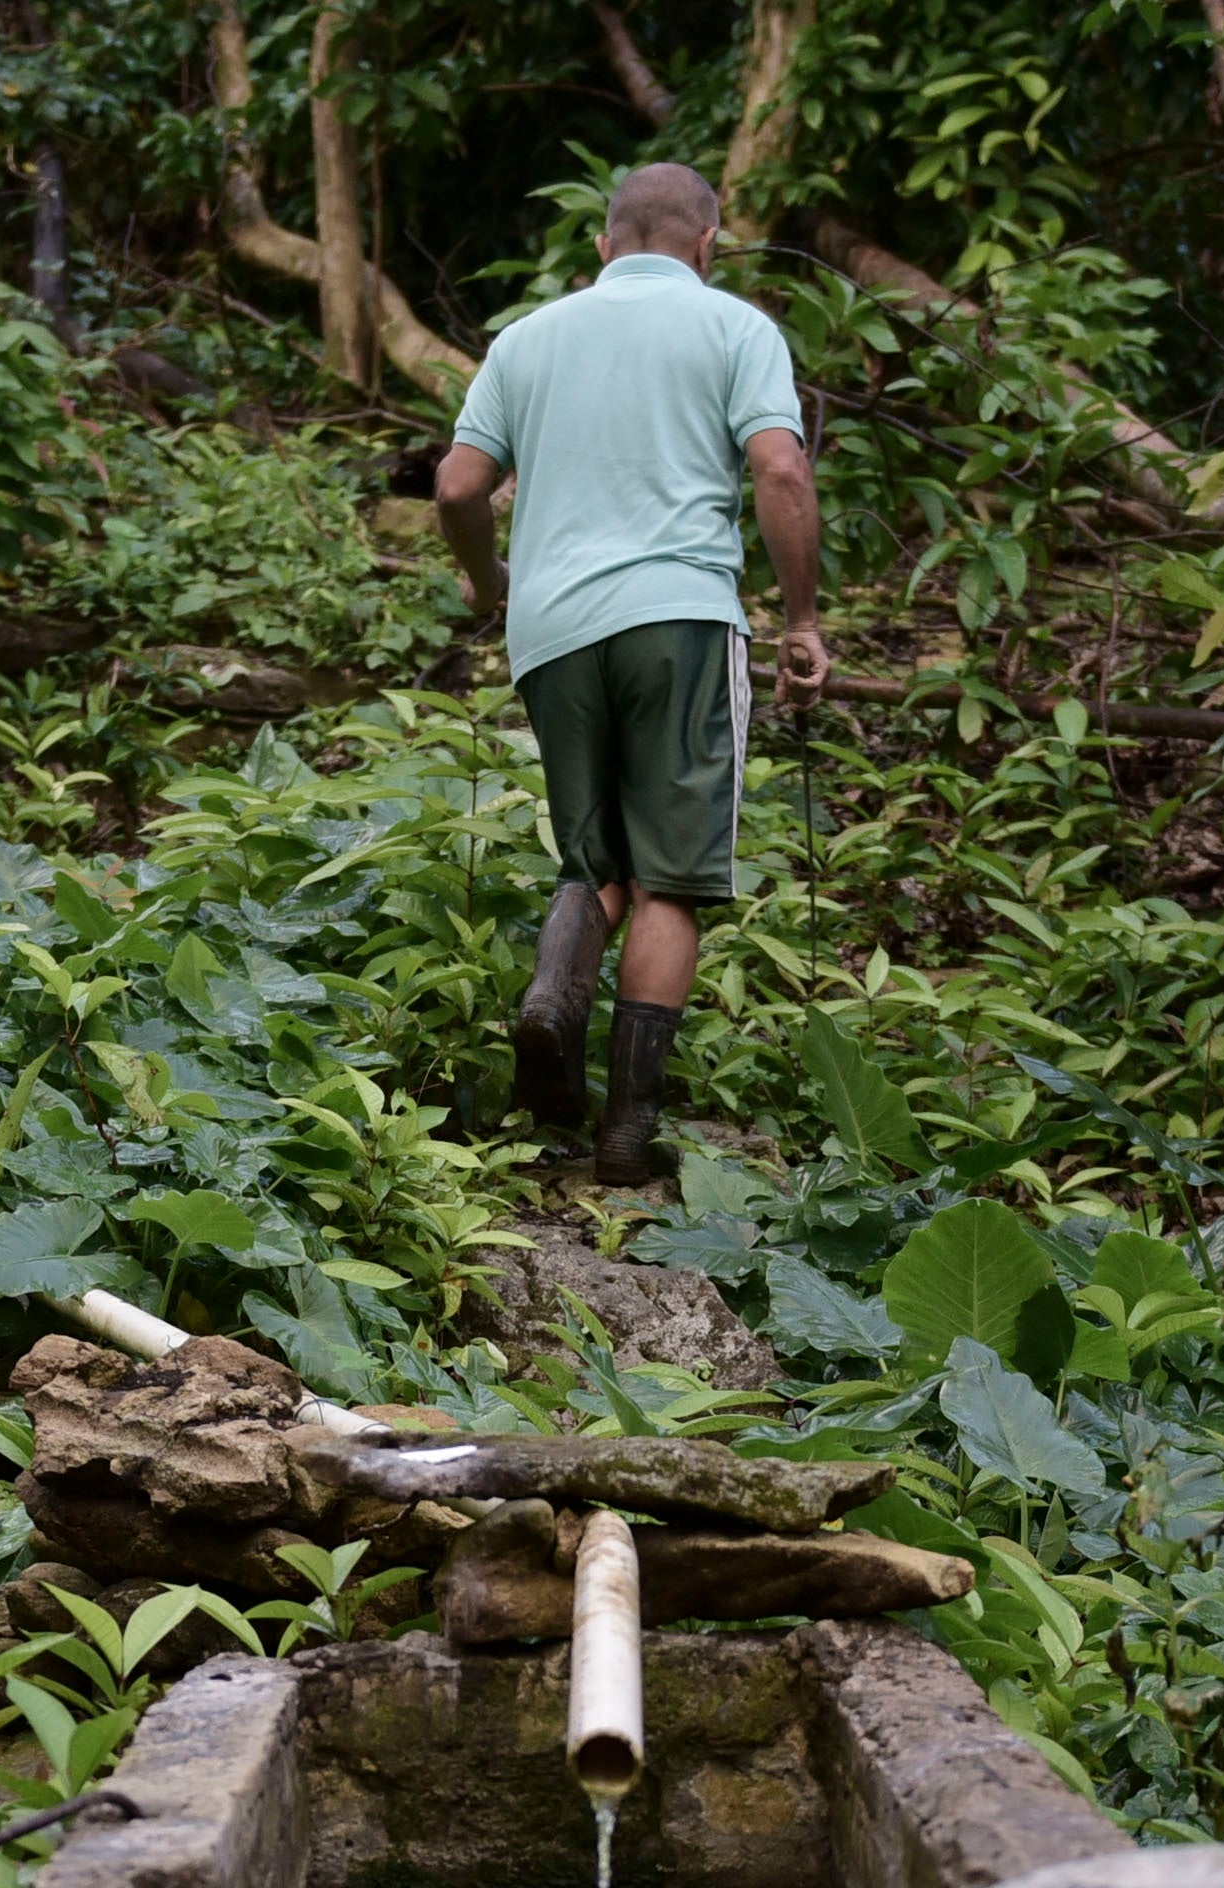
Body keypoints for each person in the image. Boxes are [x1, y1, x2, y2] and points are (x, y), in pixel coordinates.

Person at [433, 159, 828, 1189]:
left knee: (592, 857)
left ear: (603, 246)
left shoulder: (527, 340)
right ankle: (626, 1128)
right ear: (708, 245)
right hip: (682, 618)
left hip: (553, 629)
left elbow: (458, 485)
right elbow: (780, 468)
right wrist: (803, 618)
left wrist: (490, 586)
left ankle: (551, 1004)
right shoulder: (736, 328)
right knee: (672, 877)